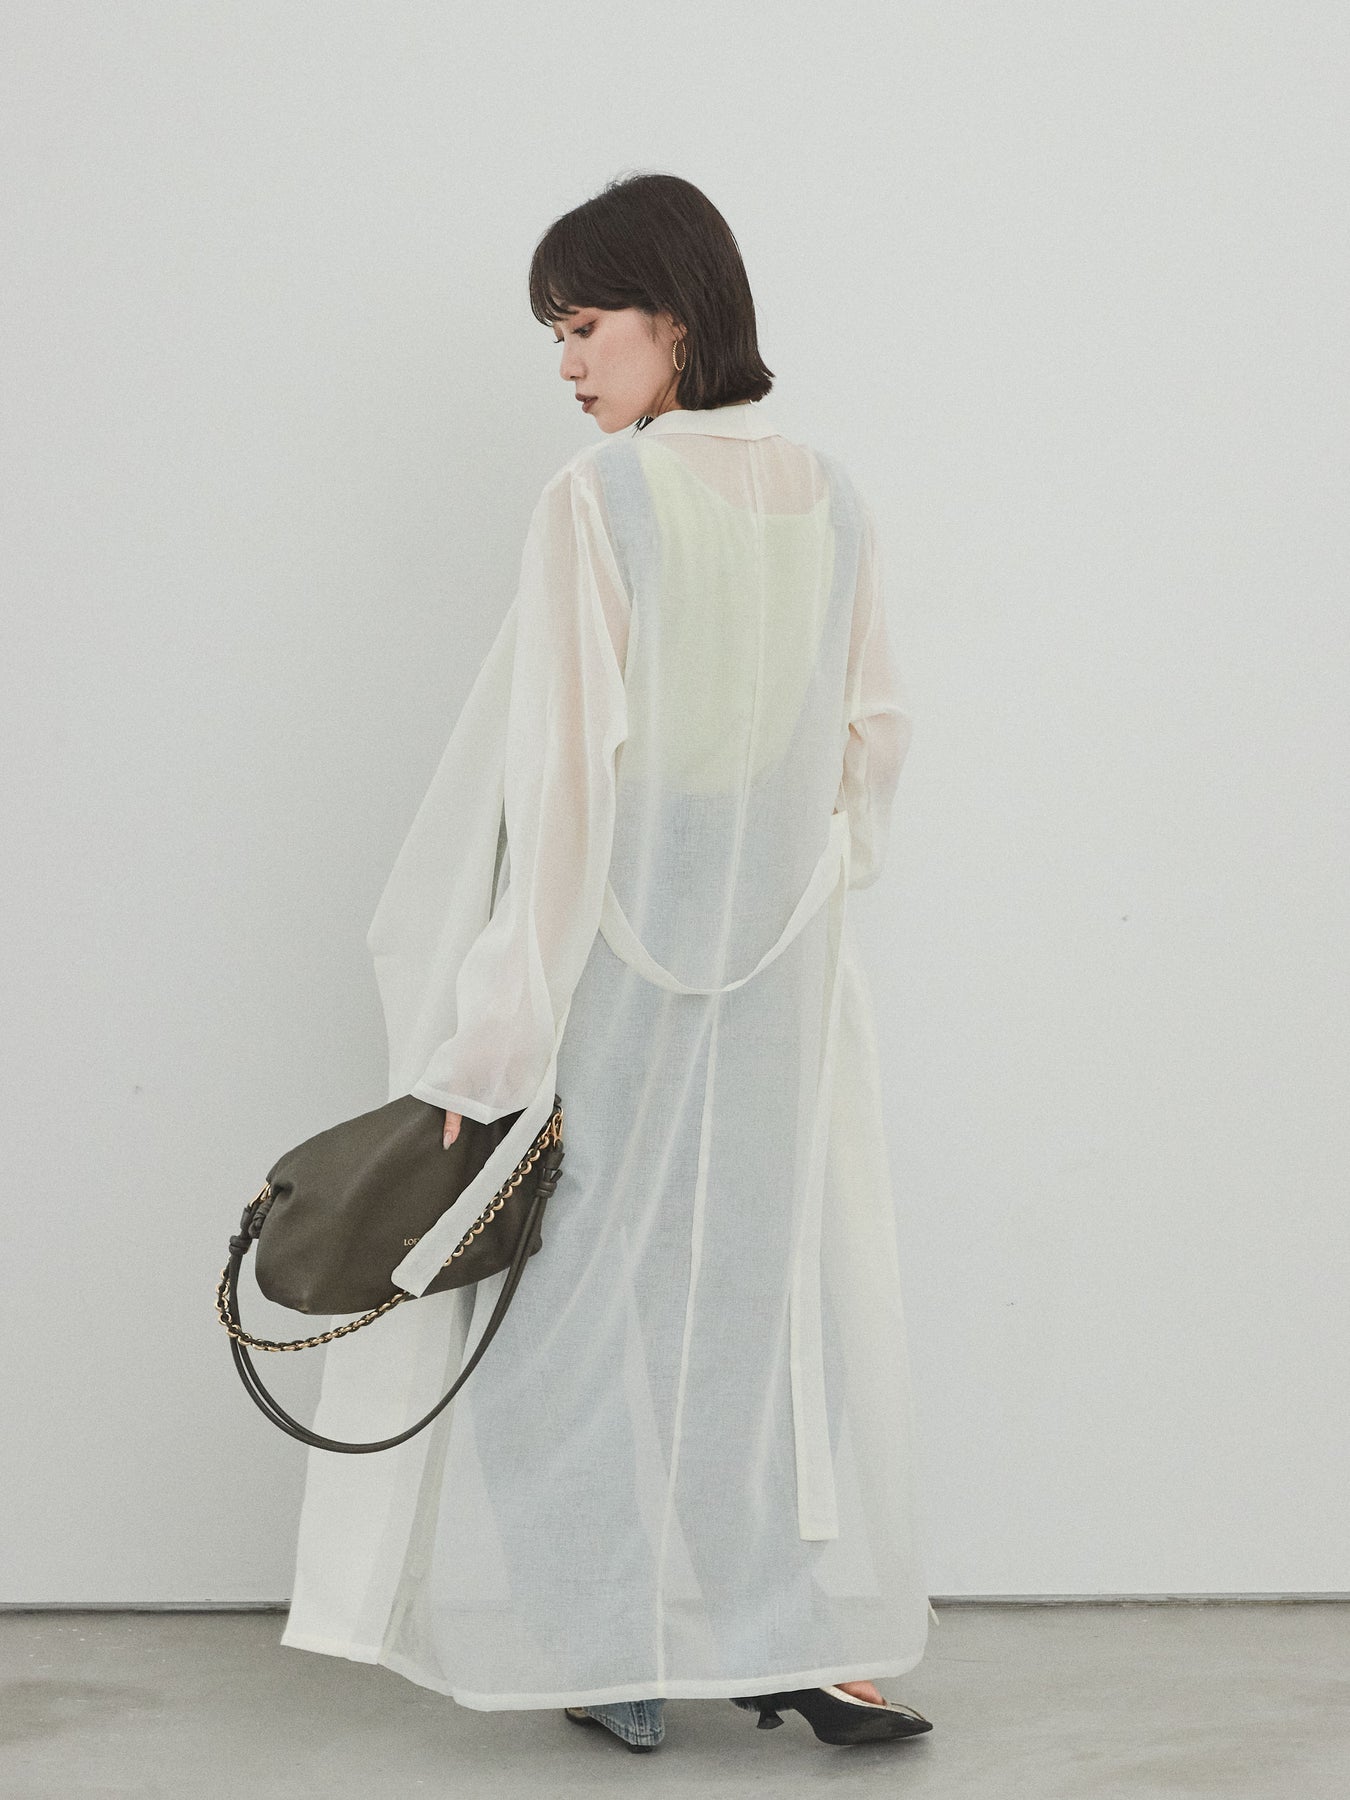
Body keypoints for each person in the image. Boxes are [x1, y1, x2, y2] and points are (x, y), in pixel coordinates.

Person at [281, 171, 936, 1755]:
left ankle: (605, 1649)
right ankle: (775, 1629)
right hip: (773, 966)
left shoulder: (602, 499)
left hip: (617, 958)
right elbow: (872, 744)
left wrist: (491, 1039)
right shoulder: (830, 493)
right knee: (739, 1305)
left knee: (557, 1307)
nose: (569, 365)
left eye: (586, 326)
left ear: (677, 318)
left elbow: (564, 787)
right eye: (557, 337)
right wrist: (799, 889)